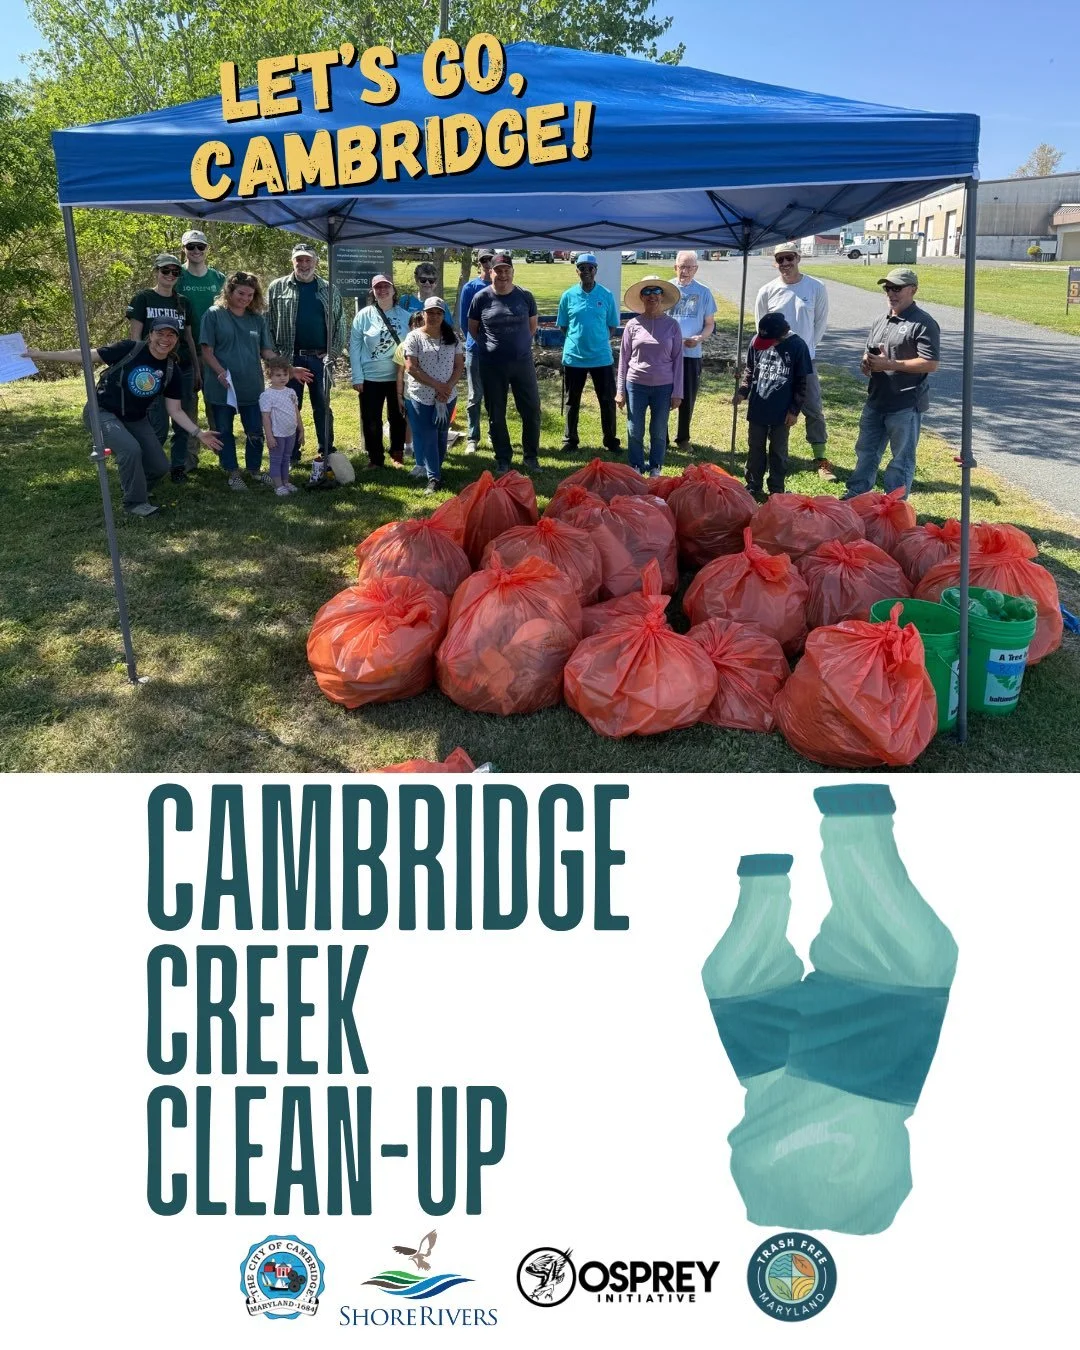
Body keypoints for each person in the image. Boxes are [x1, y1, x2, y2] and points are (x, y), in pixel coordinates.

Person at [24, 316, 221, 516]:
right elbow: (86, 355)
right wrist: (42, 355)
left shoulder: (172, 369)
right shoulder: (130, 349)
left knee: (160, 467)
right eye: (160, 333)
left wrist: (199, 432)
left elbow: (175, 410)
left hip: (136, 418)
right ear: (150, 335)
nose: (165, 339)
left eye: (171, 335)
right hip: (101, 411)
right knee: (130, 449)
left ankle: (136, 487)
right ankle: (135, 504)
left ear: (177, 340)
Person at [201, 271, 310, 491]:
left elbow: (267, 351)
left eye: (250, 295)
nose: (245, 298)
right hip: (222, 388)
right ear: (229, 291)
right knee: (224, 430)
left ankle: (254, 470)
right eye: (241, 293)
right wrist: (221, 372)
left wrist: (289, 368)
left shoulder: (257, 319)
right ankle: (232, 472)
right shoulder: (213, 315)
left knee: (255, 430)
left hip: (251, 386)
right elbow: (206, 350)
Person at [841, 267, 941, 501]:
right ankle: (856, 497)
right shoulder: (880, 320)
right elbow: (869, 355)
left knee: (901, 460)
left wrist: (890, 364)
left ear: (913, 290)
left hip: (905, 403)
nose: (891, 293)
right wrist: (867, 364)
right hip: (876, 399)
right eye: (887, 288)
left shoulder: (923, 322)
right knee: (866, 452)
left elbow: (930, 363)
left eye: (897, 288)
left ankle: (894, 505)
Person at [754, 241, 834, 480]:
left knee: (814, 409)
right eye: (780, 260)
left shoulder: (816, 287)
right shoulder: (767, 291)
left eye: (789, 258)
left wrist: (806, 348)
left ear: (798, 258)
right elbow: (762, 327)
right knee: (772, 408)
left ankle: (820, 458)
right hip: (775, 362)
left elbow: (819, 322)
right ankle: (769, 457)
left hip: (805, 360)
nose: (785, 264)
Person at [267, 242, 347, 462]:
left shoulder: (329, 289)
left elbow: (340, 324)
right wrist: (277, 359)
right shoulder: (277, 287)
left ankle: (326, 450)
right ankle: (290, 453)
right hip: (288, 360)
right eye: (299, 259)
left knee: (322, 406)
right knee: (288, 406)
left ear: (315, 262)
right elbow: (268, 324)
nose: (303, 264)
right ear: (292, 261)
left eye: (308, 260)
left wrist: (332, 353)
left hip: (320, 359)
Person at [126, 253, 199, 480]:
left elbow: (189, 338)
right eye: (165, 271)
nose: (170, 275)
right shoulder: (143, 298)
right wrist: (135, 366)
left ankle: (178, 467)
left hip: (182, 368)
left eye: (175, 272)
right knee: (156, 423)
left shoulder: (183, 302)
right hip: (153, 370)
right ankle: (150, 468)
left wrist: (197, 369)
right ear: (156, 271)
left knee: (183, 420)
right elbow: (136, 336)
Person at [467, 252, 541, 475]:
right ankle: (503, 458)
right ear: (491, 272)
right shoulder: (481, 298)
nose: (503, 274)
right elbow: (473, 328)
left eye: (506, 270)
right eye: (498, 270)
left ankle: (531, 456)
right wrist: (490, 347)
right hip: (492, 365)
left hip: (522, 364)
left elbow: (532, 327)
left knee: (531, 410)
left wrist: (517, 347)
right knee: (496, 413)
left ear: (512, 272)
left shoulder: (525, 296)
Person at [734, 312, 812, 500]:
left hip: (782, 411)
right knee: (755, 447)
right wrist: (743, 391)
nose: (765, 343)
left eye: (770, 340)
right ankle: (753, 483)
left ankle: (776, 488)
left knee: (778, 450)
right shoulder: (757, 341)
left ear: (782, 335)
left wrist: (794, 410)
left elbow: (802, 382)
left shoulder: (797, 346)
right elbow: (750, 369)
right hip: (758, 406)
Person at [616, 276, 683, 478]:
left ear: (662, 296)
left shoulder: (672, 325)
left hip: (664, 386)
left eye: (656, 292)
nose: (651, 296)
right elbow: (623, 358)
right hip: (636, 384)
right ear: (641, 298)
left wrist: (677, 392)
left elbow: (679, 360)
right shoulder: (632, 325)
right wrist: (620, 390)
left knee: (659, 430)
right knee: (635, 429)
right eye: (646, 292)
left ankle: (655, 467)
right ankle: (636, 465)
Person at [556, 252, 621, 456]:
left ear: (596, 271)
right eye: (582, 268)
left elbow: (612, 325)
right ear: (577, 271)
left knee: (607, 400)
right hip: (574, 358)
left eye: (590, 268)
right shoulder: (568, 296)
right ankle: (570, 440)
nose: (586, 272)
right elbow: (564, 326)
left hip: (601, 357)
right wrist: (578, 340)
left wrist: (597, 339)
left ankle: (610, 440)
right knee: (571, 401)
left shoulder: (606, 295)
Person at [401, 296, 465, 493]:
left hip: (447, 396)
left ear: (443, 315)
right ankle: (434, 478)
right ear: (423, 314)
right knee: (428, 435)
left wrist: (447, 388)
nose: (434, 316)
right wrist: (437, 385)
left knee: (441, 434)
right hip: (422, 396)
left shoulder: (451, 337)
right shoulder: (414, 337)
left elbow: (459, 365)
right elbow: (411, 367)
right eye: (430, 312)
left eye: (438, 313)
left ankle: (436, 467)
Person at [175, 229, 225, 471]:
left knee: (216, 404)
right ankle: (189, 460)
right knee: (188, 406)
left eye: (200, 247)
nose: (196, 251)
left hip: (215, 352)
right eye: (191, 246)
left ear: (207, 249)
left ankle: (223, 455)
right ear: (183, 249)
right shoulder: (177, 276)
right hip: (185, 351)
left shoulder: (219, 278)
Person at [349, 274, 410, 468]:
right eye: (378, 288)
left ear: (393, 290)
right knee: (371, 418)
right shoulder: (363, 316)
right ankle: (375, 458)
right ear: (373, 292)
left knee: (398, 416)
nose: (382, 290)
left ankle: (397, 454)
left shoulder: (405, 316)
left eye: (386, 287)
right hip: (370, 377)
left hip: (397, 377)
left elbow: (412, 346)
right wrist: (357, 376)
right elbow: (355, 348)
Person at [667, 249, 716, 448]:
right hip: (666, 354)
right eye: (681, 267)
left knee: (687, 396)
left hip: (691, 353)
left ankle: (683, 438)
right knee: (663, 394)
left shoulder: (703, 292)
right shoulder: (666, 288)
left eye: (689, 267)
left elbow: (710, 324)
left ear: (696, 269)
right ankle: (662, 436)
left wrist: (699, 338)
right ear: (675, 267)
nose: (685, 271)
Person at [458, 249, 494, 453]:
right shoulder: (470, 287)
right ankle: (473, 437)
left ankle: (492, 434)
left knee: (494, 395)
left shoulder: (501, 285)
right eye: (484, 261)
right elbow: (464, 321)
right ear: (478, 263)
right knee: (474, 395)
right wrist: (476, 339)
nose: (488, 264)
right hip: (475, 348)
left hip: (496, 351)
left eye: (490, 260)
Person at [259, 354, 303, 496]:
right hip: (277, 434)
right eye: (278, 375)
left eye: (285, 374)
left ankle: (285, 481)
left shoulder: (291, 392)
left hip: (290, 432)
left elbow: (296, 411)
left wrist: (301, 429)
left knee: (287, 457)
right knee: (276, 459)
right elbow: (265, 418)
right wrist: (269, 437)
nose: (283, 377)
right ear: (269, 376)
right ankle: (278, 485)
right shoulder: (267, 395)